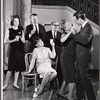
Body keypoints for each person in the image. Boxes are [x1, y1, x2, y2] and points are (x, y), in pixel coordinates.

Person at [71, 11, 96, 100]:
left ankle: (91, 98)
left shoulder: (88, 28)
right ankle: (80, 97)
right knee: (79, 79)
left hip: (83, 58)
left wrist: (74, 33)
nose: (75, 22)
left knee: (85, 80)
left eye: (75, 20)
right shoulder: (83, 27)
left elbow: (85, 41)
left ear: (80, 19)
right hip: (79, 57)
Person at [3, 15, 25, 90]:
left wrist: (21, 39)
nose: (17, 23)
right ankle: (6, 84)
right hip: (13, 50)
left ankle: (15, 83)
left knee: (18, 68)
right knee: (10, 68)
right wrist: (14, 40)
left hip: (20, 50)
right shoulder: (9, 30)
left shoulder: (21, 29)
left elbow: (24, 41)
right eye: (15, 21)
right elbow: (5, 41)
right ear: (12, 22)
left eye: (18, 21)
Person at [57, 19, 76, 100]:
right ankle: (70, 97)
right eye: (69, 24)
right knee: (72, 78)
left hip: (70, 57)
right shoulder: (64, 34)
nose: (71, 24)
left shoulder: (72, 32)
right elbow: (61, 40)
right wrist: (70, 32)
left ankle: (61, 92)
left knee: (67, 76)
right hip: (66, 57)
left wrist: (73, 30)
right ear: (65, 27)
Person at [25, 13, 46, 86]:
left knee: (40, 63)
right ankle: (30, 81)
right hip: (31, 48)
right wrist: (30, 33)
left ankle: (40, 81)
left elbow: (44, 37)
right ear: (31, 19)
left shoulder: (41, 27)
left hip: (40, 49)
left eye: (36, 19)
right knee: (31, 64)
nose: (35, 20)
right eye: (33, 19)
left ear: (38, 18)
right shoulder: (28, 27)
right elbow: (26, 38)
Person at [44, 21, 63, 88]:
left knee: (60, 70)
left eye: (57, 25)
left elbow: (62, 45)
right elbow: (44, 44)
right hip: (49, 55)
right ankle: (51, 85)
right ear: (51, 26)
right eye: (54, 25)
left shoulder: (61, 34)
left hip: (58, 55)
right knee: (50, 69)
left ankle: (61, 86)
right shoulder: (46, 34)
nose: (56, 27)